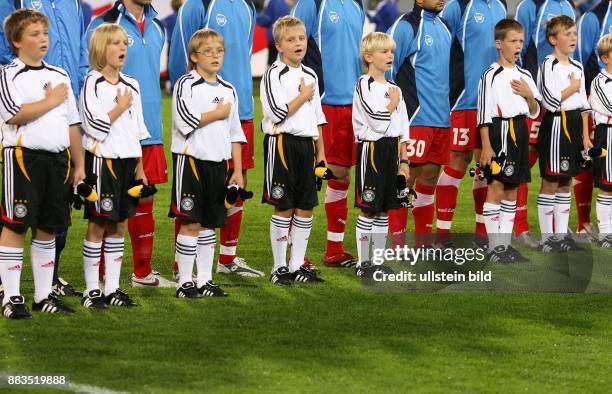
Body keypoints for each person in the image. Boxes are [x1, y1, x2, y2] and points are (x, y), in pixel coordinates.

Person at [0, 0, 89, 298]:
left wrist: (79, 164)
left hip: (58, 161)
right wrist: (50, 101)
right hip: (24, 159)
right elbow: (14, 113)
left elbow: (72, 123)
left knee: (49, 227)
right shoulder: (8, 74)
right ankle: (11, 295)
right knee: (16, 225)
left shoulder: (60, 76)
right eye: (35, 34)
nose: (43, 39)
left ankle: (43, 295)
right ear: (16, 41)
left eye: (45, 33)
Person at [169, 0, 263, 278]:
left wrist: (240, 101)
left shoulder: (247, 5)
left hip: (239, 106)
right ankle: (181, 267)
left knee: (234, 186)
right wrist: (197, 100)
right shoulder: (197, 5)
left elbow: (243, 57)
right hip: (203, 112)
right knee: (191, 195)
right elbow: (179, 61)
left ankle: (227, 259)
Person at [85, 0, 174, 288]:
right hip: (109, 137)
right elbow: (86, 72)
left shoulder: (158, 26)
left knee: (144, 197)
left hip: (147, 130)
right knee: (104, 209)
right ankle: (99, 279)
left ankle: (142, 273)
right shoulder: (103, 23)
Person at [171, 28, 246, 298]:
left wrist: (236, 170)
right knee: (190, 222)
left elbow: (236, 134)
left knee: (209, 224)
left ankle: (204, 280)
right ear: (194, 56)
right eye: (208, 51)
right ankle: (184, 282)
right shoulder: (186, 85)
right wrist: (217, 113)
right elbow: (184, 122)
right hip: (190, 162)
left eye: (219, 50)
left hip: (218, 165)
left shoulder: (228, 90)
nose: (215, 56)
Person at [79, 23, 150, 308]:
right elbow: (94, 126)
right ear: (100, 48)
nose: (122, 48)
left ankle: (112, 288)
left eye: (124, 43)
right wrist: (119, 107)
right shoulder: (92, 82)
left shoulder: (132, 84)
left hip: (127, 164)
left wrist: (140, 166)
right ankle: (91, 289)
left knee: (120, 224)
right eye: (115, 43)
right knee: (98, 223)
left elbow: (138, 129)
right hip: (102, 162)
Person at [291, 0, 365, 268]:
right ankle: (295, 252)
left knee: (341, 175)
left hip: (351, 104)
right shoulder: (312, 3)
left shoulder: (357, 5)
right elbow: (290, 46)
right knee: (307, 175)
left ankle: (334, 250)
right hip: (320, 102)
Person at [432, 0, 506, 248]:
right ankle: (442, 235)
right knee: (457, 163)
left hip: (493, 101)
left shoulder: (500, 4)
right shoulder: (457, 6)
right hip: (462, 99)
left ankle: (482, 233)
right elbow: (439, 47)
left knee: (485, 164)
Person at [260, 16, 327, 285]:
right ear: (279, 45)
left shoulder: (310, 74)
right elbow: (276, 113)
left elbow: (318, 118)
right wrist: (302, 96)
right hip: (281, 143)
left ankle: (297, 265)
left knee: (306, 206)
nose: (298, 43)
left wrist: (320, 154)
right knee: (284, 205)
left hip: (306, 147)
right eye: (291, 39)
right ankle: (279, 268)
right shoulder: (272, 74)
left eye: (301, 38)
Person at [387, 0, 451, 248]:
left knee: (430, 179)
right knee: (406, 178)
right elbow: (388, 71)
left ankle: (422, 244)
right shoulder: (406, 26)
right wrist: (400, 114)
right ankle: (397, 244)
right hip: (416, 118)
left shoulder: (445, 27)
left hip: (441, 119)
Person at [478, 19, 541, 262]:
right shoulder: (490, 75)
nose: (518, 46)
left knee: (513, 190)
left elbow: (534, 110)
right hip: (499, 131)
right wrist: (486, 146)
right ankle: (495, 248)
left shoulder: (525, 75)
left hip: (520, 131)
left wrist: (528, 95)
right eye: (513, 41)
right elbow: (483, 112)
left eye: (521, 41)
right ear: (499, 44)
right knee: (496, 188)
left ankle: (505, 247)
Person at [514, 0, 576, 247]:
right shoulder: (529, 5)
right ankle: (519, 226)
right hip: (536, 99)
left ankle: (558, 227)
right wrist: (525, 91)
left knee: (560, 165)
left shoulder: (569, 5)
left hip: (563, 102)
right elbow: (517, 48)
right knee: (525, 158)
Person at [353, 32, 409, 276]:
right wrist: (391, 105)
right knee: (369, 207)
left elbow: (403, 129)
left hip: (392, 151)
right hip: (371, 150)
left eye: (391, 52)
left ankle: (377, 261)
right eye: (384, 52)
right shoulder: (363, 85)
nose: (390, 56)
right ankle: (362, 263)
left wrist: (404, 161)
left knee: (385, 207)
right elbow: (375, 121)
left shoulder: (395, 88)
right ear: (368, 57)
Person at [536, 15, 590, 252]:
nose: (573, 38)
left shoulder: (578, 66)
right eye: (567, 34)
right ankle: (547, 239)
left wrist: (586, 137)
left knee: (566, 180)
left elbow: (585, 104)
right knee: (551, 180)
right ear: (553, 39)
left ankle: (561, 236)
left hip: (576, 124)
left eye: (575, 34)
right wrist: (571, 88)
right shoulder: (548, 64)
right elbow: (547, 101)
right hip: (557, 124)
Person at [573, 0, 612, 238]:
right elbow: (580, 63)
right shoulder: (593, 18)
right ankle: (584, 223)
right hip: (596, 107)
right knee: (587, 163)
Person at [588, 33, 612, 247]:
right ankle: (606, 233)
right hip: (607, 133)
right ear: (605, 58)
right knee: (607, 185)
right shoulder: (599, 81)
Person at [257, 0, 292, 65]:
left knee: (271, 61)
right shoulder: (283, 3)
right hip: (284, 34)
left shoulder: (272, 2)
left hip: (274, 35)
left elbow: (266, 19)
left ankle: (271, 74)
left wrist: (256, 16)